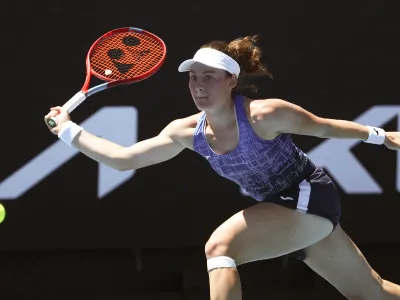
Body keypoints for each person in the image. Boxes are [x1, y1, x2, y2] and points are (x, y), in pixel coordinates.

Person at [45, 35, 400, 300]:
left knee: (219, 248)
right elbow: (123, 160)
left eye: (209, 77)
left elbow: (325, 126)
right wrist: (68, 131)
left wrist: (381, 136)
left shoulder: (265, 114)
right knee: (374, 294)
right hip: (282, 211)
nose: (198, 85)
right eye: (193, 77)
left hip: (308, 196)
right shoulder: (185, 132)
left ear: (231, 80)